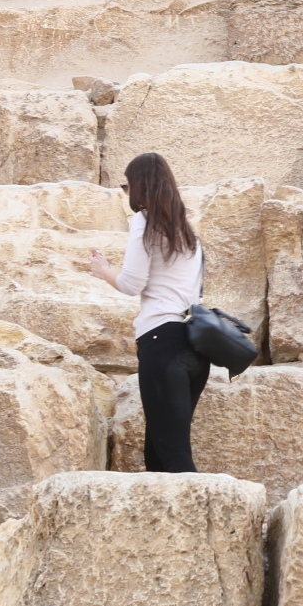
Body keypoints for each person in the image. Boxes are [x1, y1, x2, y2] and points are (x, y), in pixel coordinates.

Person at [89, 151, 208, 473]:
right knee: (158, 454)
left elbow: (131, 283)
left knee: (172, 455)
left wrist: (104, 269)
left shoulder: (144, 220)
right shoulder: (189, 234)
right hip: (195, 349)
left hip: (162, 341)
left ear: (140, 186)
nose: (126, 194)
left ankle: (203, 519)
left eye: (126, 187)